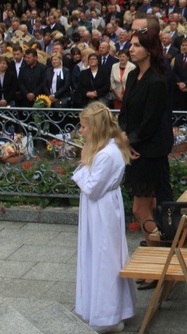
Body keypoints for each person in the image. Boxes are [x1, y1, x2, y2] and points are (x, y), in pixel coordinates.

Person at [73, 102, 136, 333]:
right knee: (101, 253)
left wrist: (81, 167)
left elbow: (92, 188)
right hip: (102, 207)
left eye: (83, 127)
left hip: (102, 208)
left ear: (95, 128)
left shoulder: (107, 154)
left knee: (104, 257)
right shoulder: (107, 149)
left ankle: (107, 317)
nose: (80, 131)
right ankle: (109, 310)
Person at [118, 28, 172, 290]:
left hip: (149, 154)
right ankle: (158, 263)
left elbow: (151, 121)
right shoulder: (131, 76)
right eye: (131, 44)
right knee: (147, 208)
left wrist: (131, 141)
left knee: (142, 209)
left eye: (137, 45)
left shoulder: (157, 81)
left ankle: (158, 265)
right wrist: (125, 139)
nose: (131, 49)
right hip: (135, 150)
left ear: (149, 50)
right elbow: (125, 112)